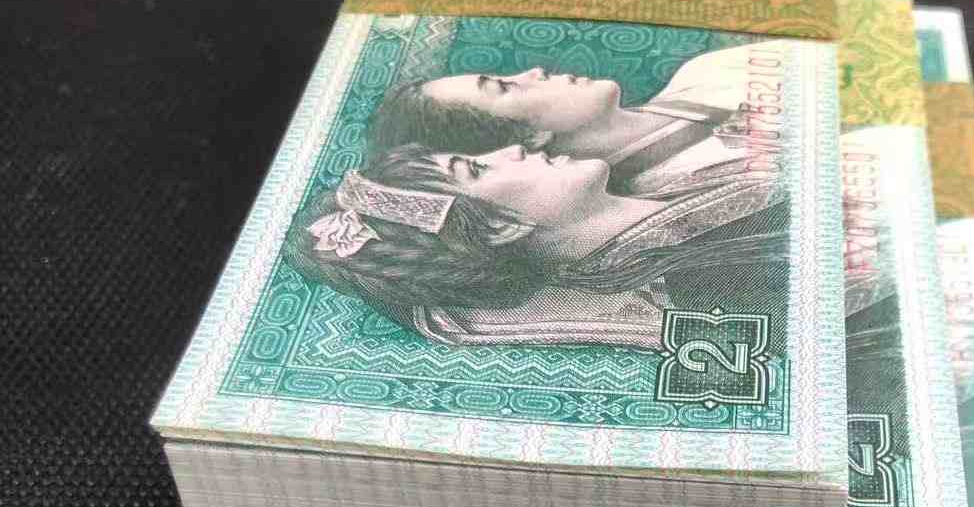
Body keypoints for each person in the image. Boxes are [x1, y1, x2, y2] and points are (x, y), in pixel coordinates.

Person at [286, 141, 790, 350]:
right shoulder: (709, 285)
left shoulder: (669, 176)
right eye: (476, 168)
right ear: (495, 230)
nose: (513, 148)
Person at [367, 49, 782, 197]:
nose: (533, 72)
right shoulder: (685, 188)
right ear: (526, 139)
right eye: (504, 87)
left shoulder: (705, 69)